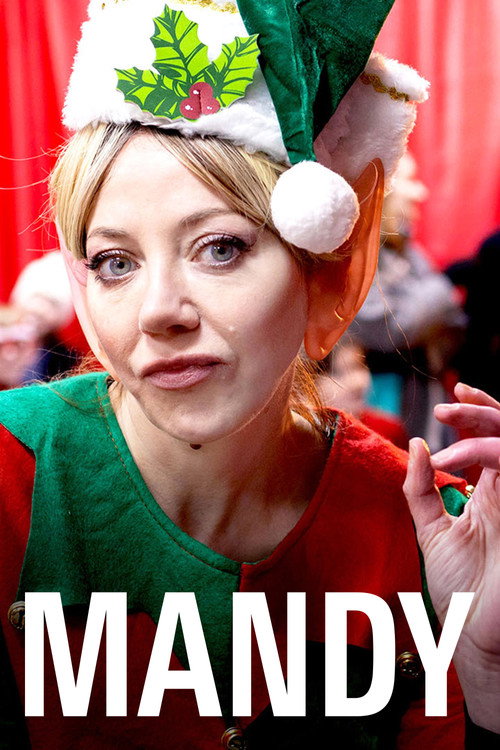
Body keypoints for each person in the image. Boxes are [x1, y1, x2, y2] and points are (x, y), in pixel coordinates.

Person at [1, 1, 499, 748]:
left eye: (220, 248)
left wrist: (488, 676)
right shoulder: (11, 477)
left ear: (324, 270)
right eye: (115, 262)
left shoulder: (433, 535)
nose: (157, 312)